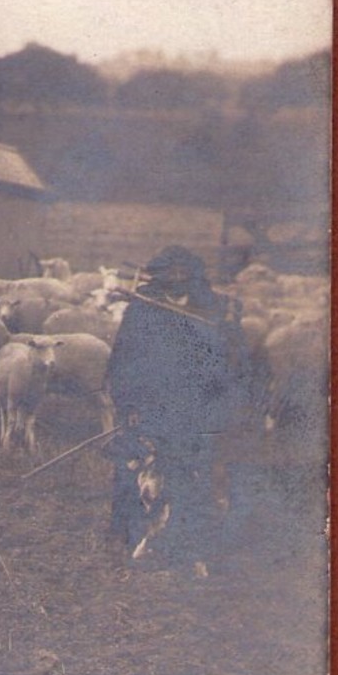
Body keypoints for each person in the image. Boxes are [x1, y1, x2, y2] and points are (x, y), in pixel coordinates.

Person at [105, 245, 245, 576]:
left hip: (195, 407)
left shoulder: (212, 310)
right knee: (136, 469)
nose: (178, 278)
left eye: (185, 272)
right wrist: (129, 405)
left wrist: (230, 336)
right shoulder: (142, 311)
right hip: (150, 405)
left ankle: (187, 541)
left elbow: (229, 364)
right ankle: (126, 534)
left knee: (190, 473)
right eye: (171, 271)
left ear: (194, 275)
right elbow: (122, 362)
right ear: (159, 274)